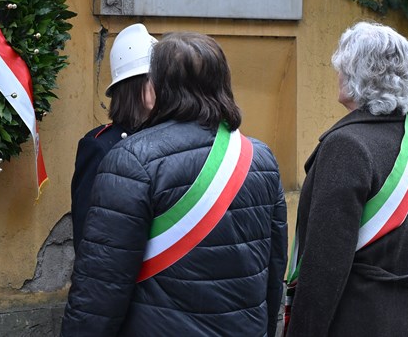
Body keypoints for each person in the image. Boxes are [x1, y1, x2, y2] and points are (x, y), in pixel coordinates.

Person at [61, 31, 288, 336]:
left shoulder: (131, 159)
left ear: (156, 87)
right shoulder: (261, 158)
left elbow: (100, 289)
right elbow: (273, 270)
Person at [285, 21, 408, 337]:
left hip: (356, 321)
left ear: (358, 77)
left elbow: (324, 267)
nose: (337, 75)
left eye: (343, 68)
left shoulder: (347, 146)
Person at [70, 23, 157, 251]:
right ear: (133, 85)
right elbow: (88, 230)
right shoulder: (100, 146)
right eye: (153, 79)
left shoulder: (169, 137)